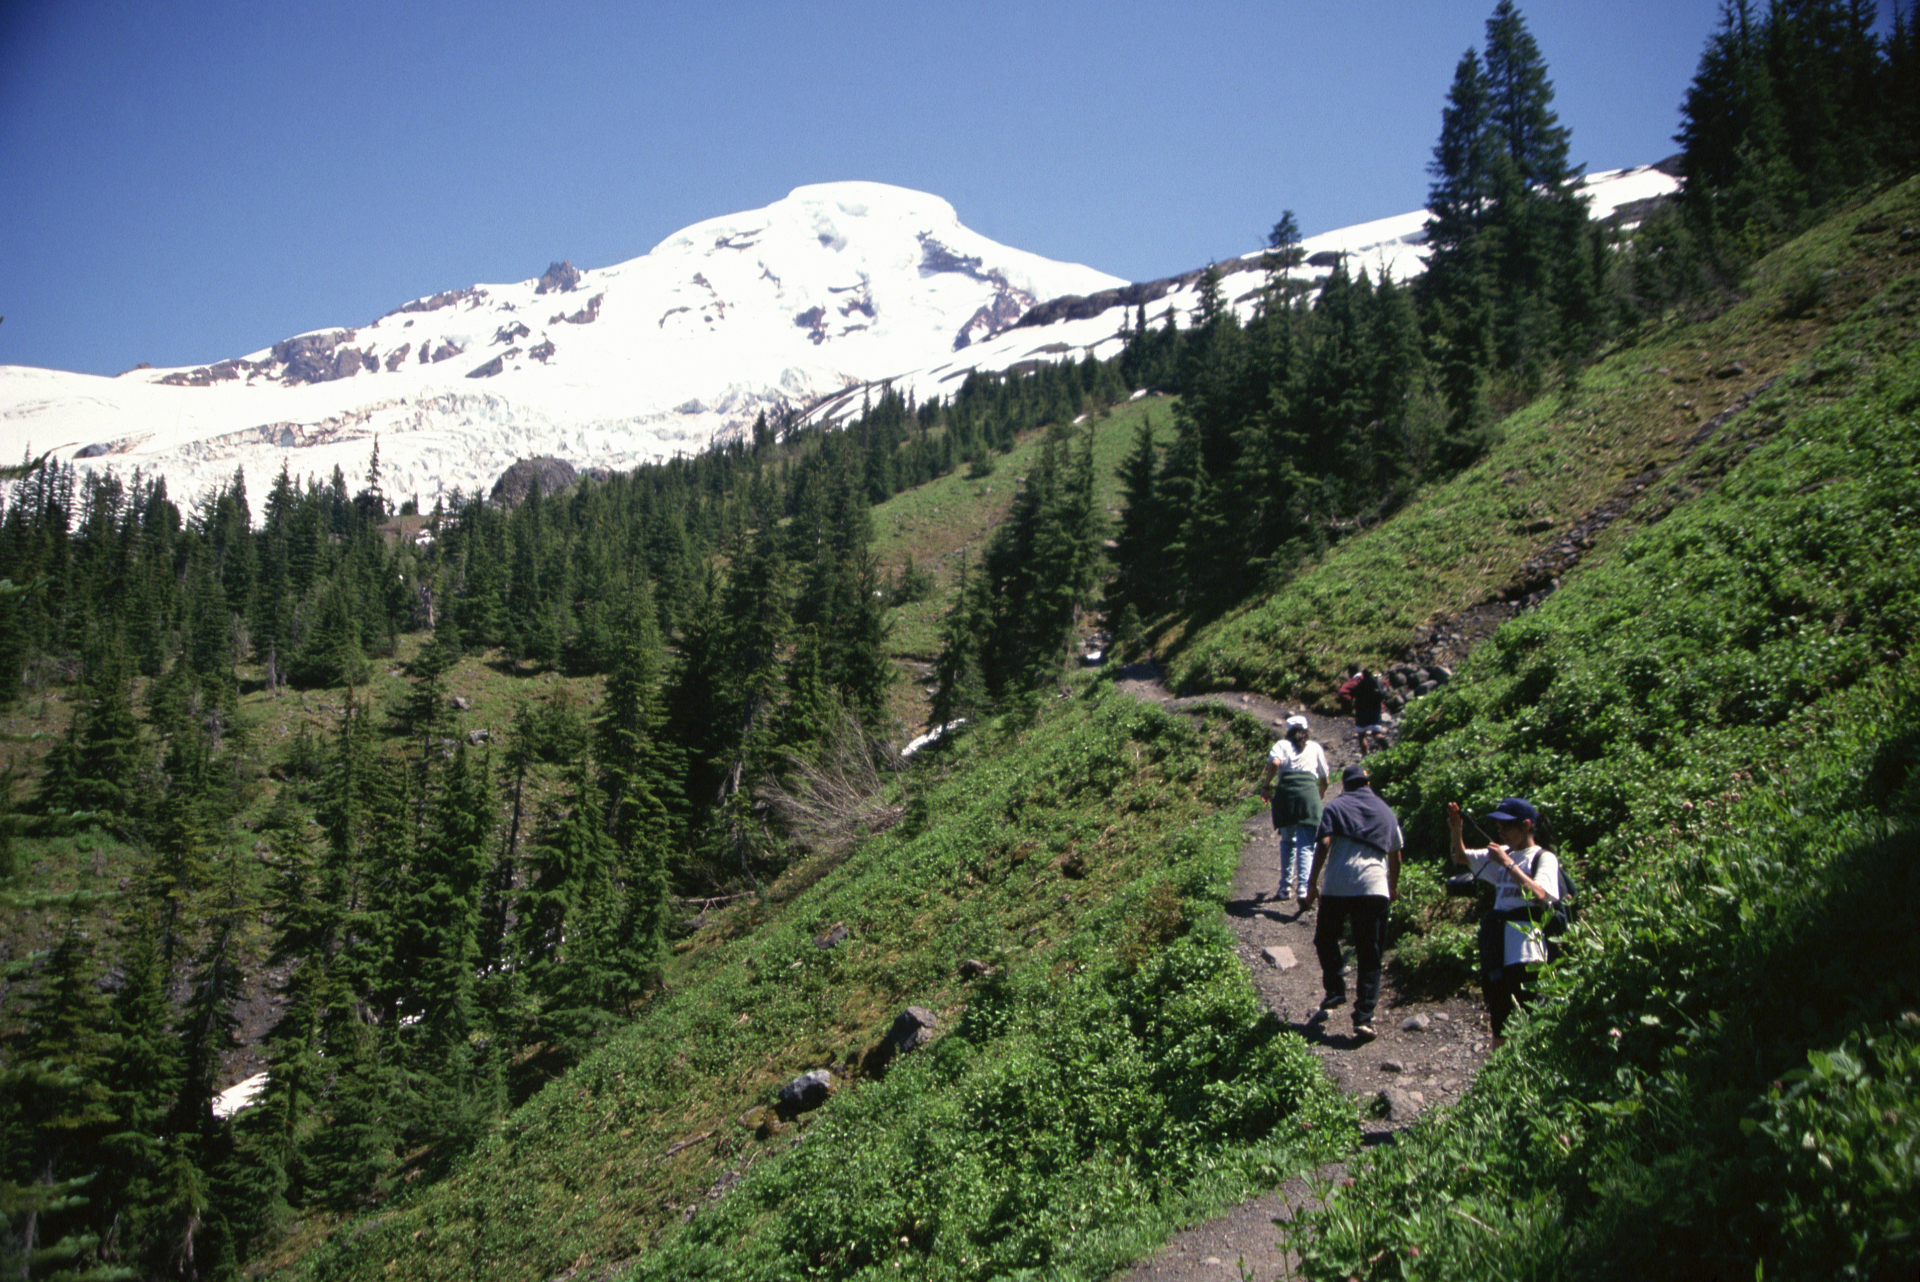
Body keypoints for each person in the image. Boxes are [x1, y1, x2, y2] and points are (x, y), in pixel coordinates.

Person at [1446, 797, 1562, 1049]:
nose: (1502, 832)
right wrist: (1457, 829)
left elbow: (1540, 895)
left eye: (1507, 826)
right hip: (1498, 953)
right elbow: (1462, 858)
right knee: (1500, 1023)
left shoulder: (1543, 857)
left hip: (1528, 954)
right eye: (1499, 827)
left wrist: (1508, 864)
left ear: (1526, 826)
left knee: (1530, 1021)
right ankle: (1499, 1080)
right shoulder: (1502, 856)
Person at [1303, 763, 1403, 1042]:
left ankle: (1335, 989)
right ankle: (1364, 1019)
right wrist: (1392, 886)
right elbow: (1396, 855)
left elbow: (1323, 844)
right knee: (1370, 954)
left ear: (1345, 785)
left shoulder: (1335, 807)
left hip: (1338, 885)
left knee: (1325, 938)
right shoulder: (1386, 811)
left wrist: (1312, 883)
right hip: (1374, 887)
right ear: (1368, 784)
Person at [1257, 715, 1330, 902]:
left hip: (1286, 795)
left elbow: (1275, 763)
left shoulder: (1282, 745)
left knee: (1288, 842)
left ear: (1287, 730)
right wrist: (1320, 792)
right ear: (1306, 730)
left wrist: (1266, 786)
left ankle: (1284, 888)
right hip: (1308, 795)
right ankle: (1303, 890)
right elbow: (1325, 778)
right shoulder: (1314, 747)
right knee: (1307, 845)